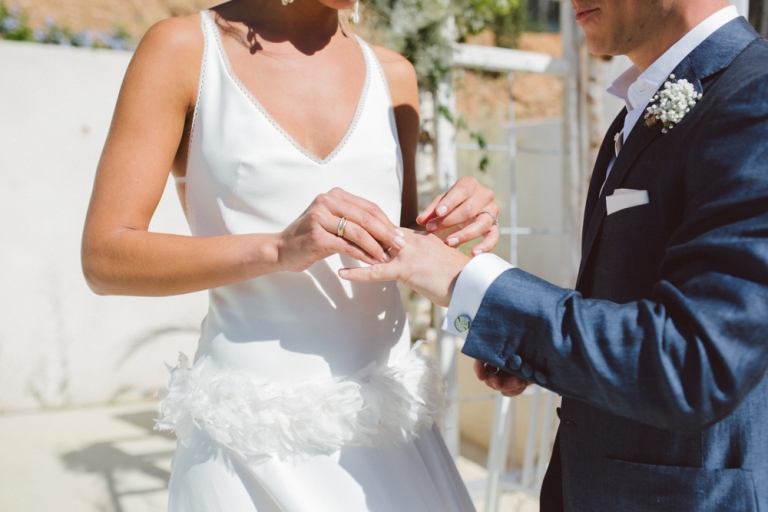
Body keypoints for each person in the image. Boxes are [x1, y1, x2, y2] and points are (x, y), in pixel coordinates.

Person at [341, 1, 768, 510]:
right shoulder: (642, 108)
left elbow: (693, 363)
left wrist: (469, 284)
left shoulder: (753, 97)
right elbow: (642, 309)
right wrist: (526, 344)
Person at [81, 0, 501, 510]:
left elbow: (397, 248)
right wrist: (277, 248)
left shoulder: (395, 76)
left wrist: (450, 229)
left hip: (389, 440)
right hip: (244, 448)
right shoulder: (183, 50)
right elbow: (106, 256)